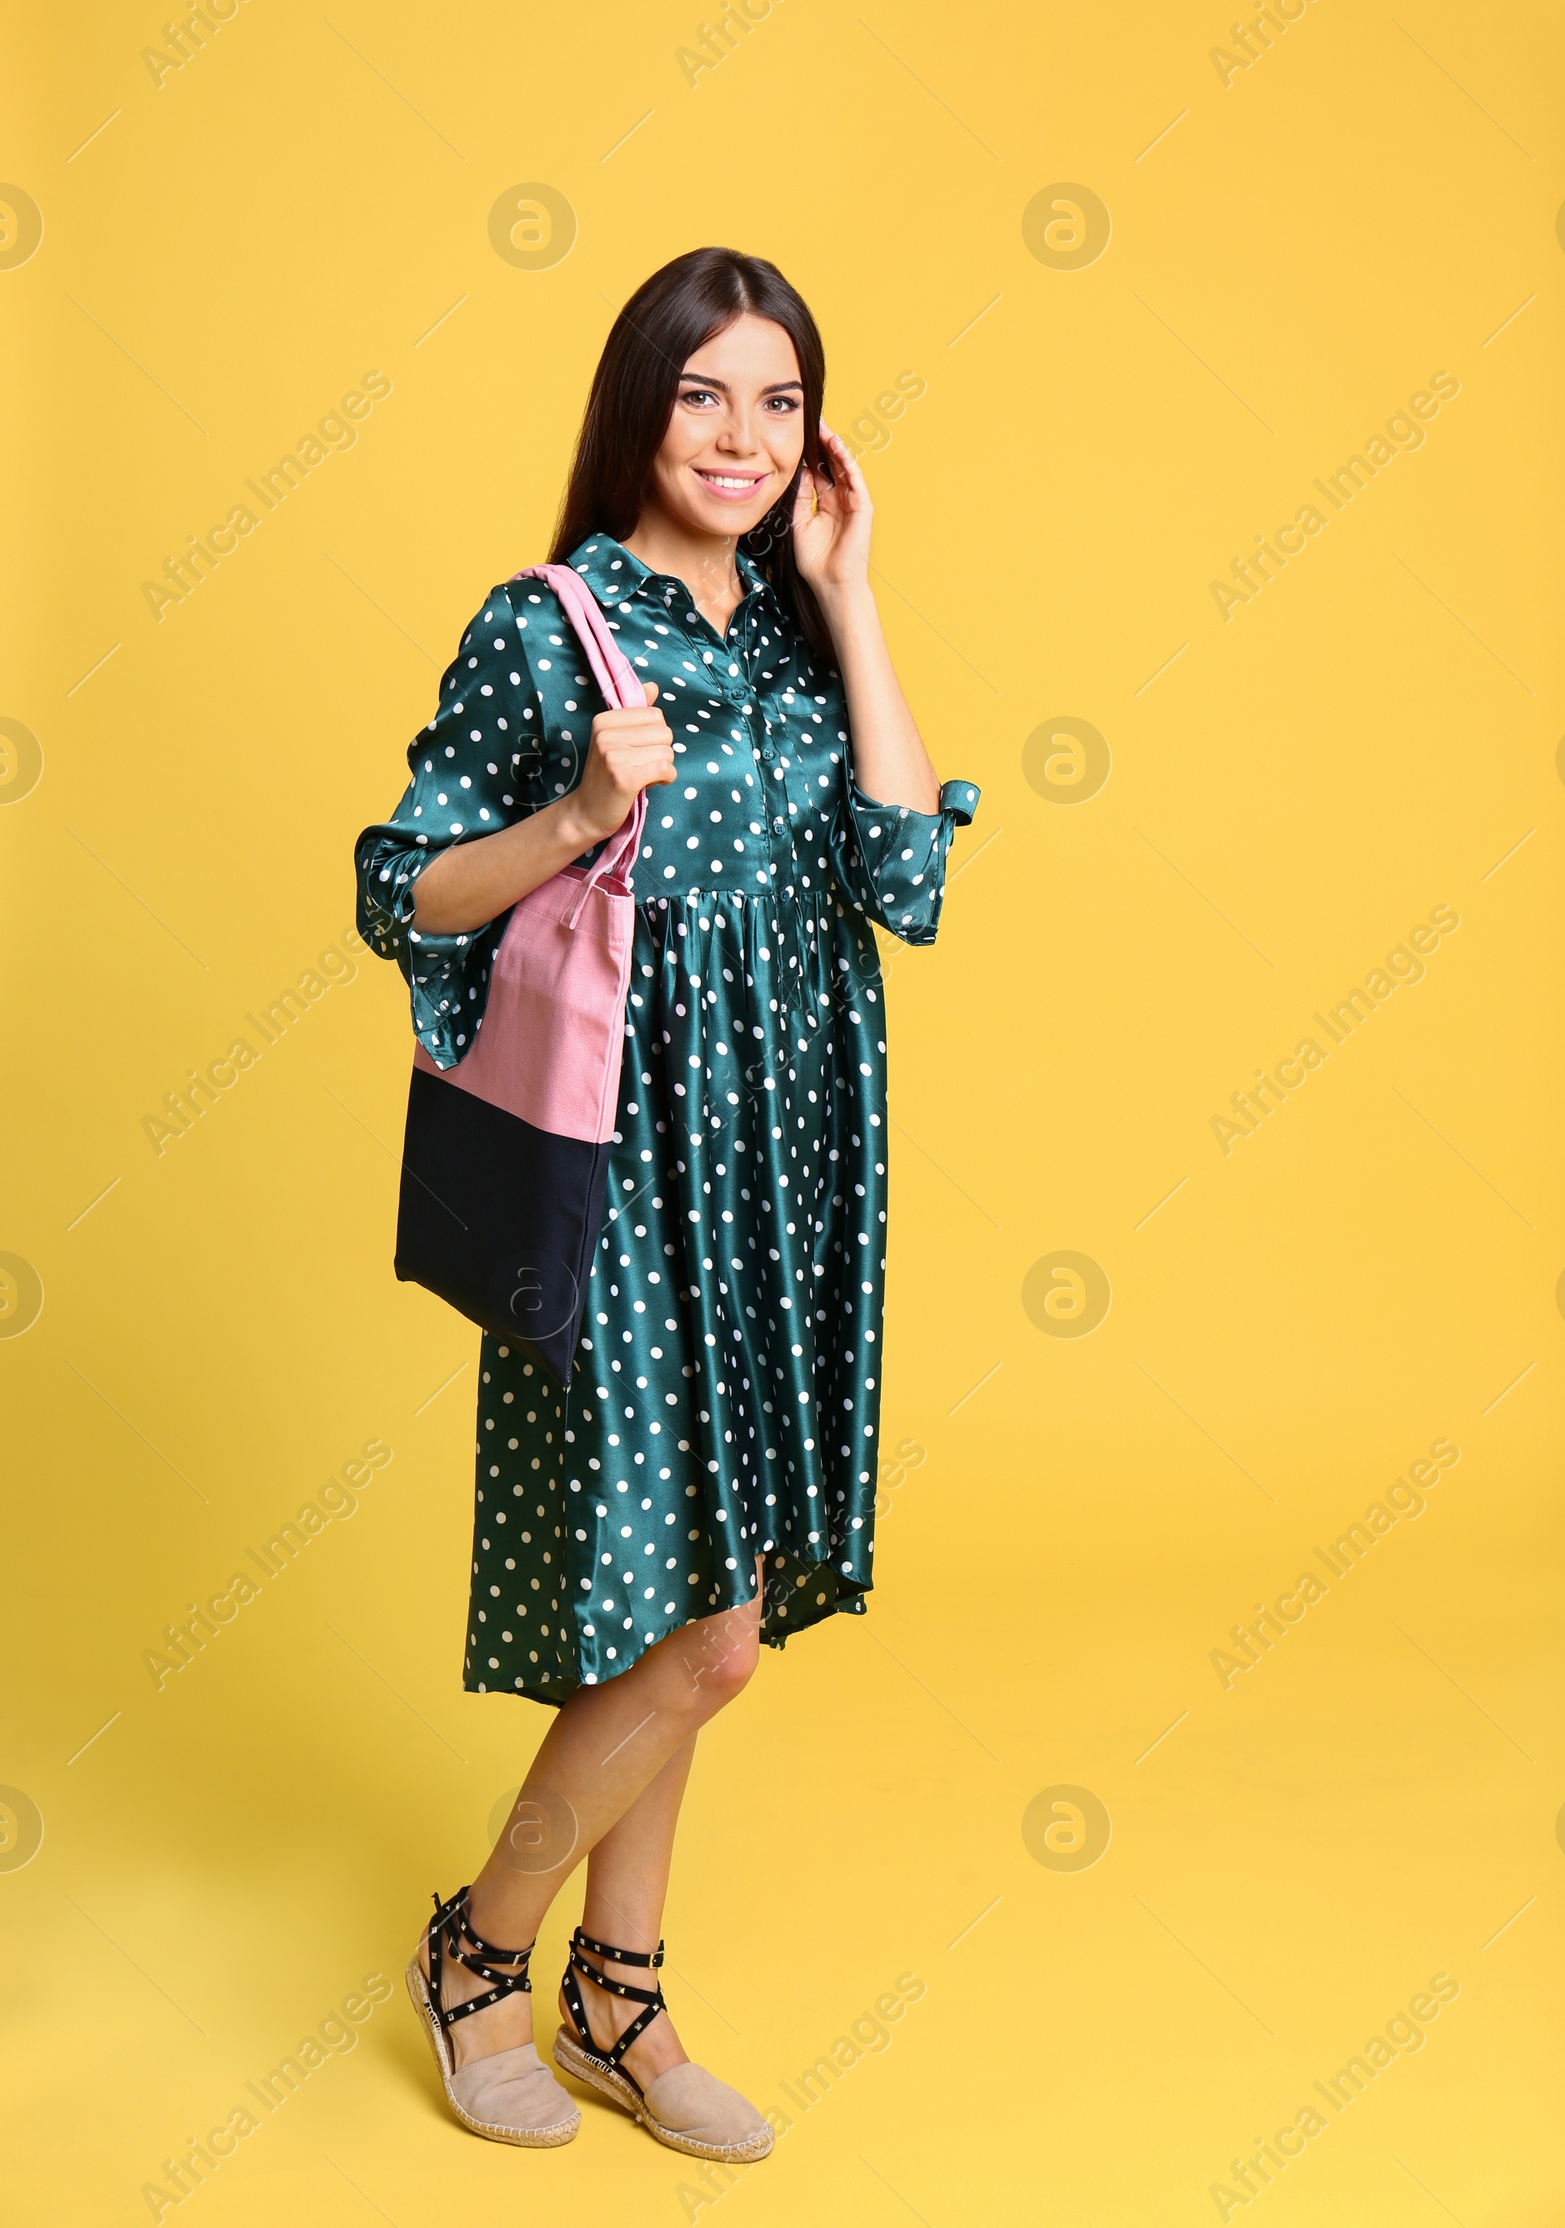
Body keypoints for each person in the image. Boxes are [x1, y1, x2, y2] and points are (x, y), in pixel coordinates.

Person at [354, 247, 980, 2163]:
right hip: (620, 1184)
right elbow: (400, 888)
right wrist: (569, 822)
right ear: (641, 409)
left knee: (718, 1607)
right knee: (699, 1634)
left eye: (779, 401)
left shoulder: (800, 628)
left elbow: (910, 878)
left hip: (787, 1174)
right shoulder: (548, 629)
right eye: (706, 395)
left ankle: (621, 2001)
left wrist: (858, 598)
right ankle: (483, 1951)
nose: (743, 436)